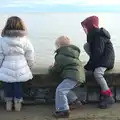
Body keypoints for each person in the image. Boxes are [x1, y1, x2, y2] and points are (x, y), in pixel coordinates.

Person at [0, 16, 34, 111]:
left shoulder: (2, 40)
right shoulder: (25, 40)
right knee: (18, 87)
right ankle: (18, 105)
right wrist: (29, 67)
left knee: (8, 86)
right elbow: (30, 55)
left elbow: (0, 56)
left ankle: (8, 105)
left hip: (6, 67)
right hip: (21, 67)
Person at [81, 16, 115, 108]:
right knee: (86, 45)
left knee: (97, 73)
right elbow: (95, 53)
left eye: (85, 27)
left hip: (106, 60)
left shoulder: (99, 36)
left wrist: (88, 66)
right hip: (101, 58)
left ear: (90, 26)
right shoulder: (94, 35)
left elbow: (97, 53)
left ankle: (108, 96)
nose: (84, 30)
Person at [49, 36, 85, 118]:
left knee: (60, 90)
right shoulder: (72, 53)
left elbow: (56, 69)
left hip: (72, 75)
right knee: (64, 88)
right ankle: (75, 101)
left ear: (59, 46)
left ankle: (63, 110)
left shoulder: (60, 55)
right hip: (79, 75)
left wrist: (51, 69)